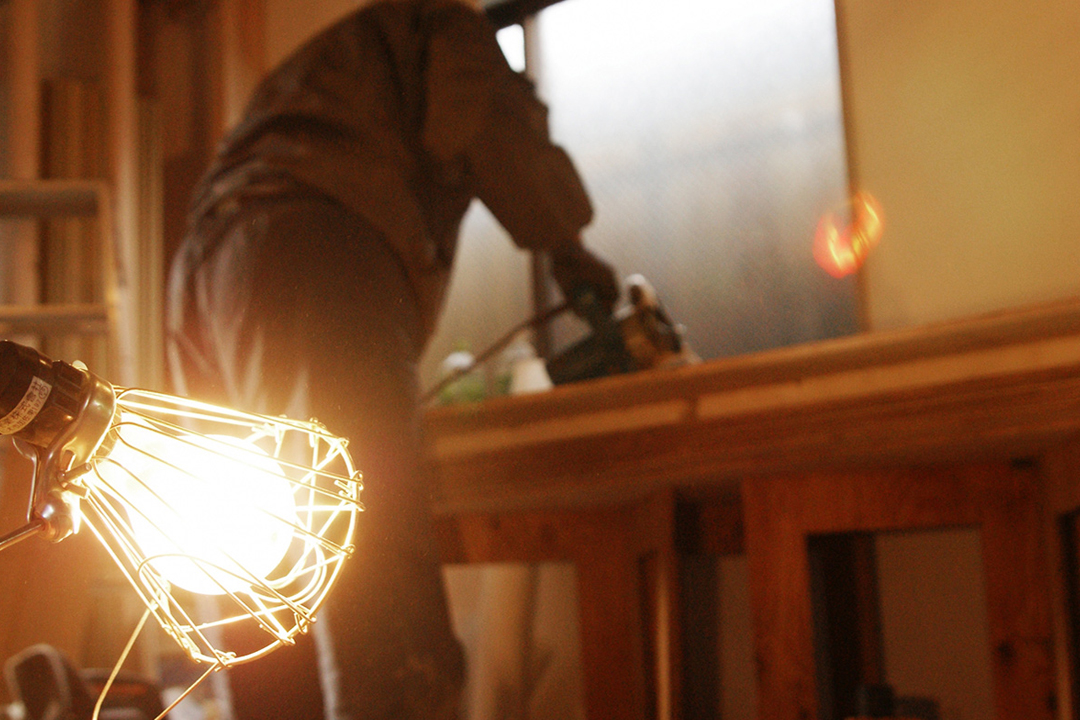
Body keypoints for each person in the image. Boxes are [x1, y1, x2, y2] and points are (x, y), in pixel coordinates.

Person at [164, 1, 620, 719]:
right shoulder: (451, 29)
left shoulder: (331, 64)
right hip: (308, 252)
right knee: (370, 544)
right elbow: (500, 135)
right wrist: (569, 247)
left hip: (201, 279)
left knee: (248, 551)